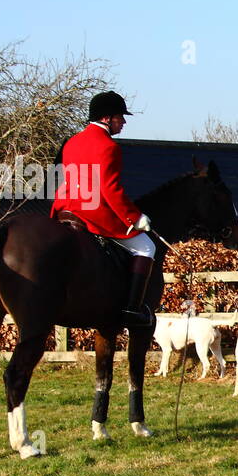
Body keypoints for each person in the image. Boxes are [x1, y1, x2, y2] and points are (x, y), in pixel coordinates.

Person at [51, 91, 157, 328]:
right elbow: (110, 189)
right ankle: (131, 309)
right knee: (146, 247)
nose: (124, 122)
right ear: (107, 118)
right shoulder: (108, 146)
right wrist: (135, 217)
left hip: (65, 208)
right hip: (92, 211)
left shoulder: (72, 141)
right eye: (121, 116)